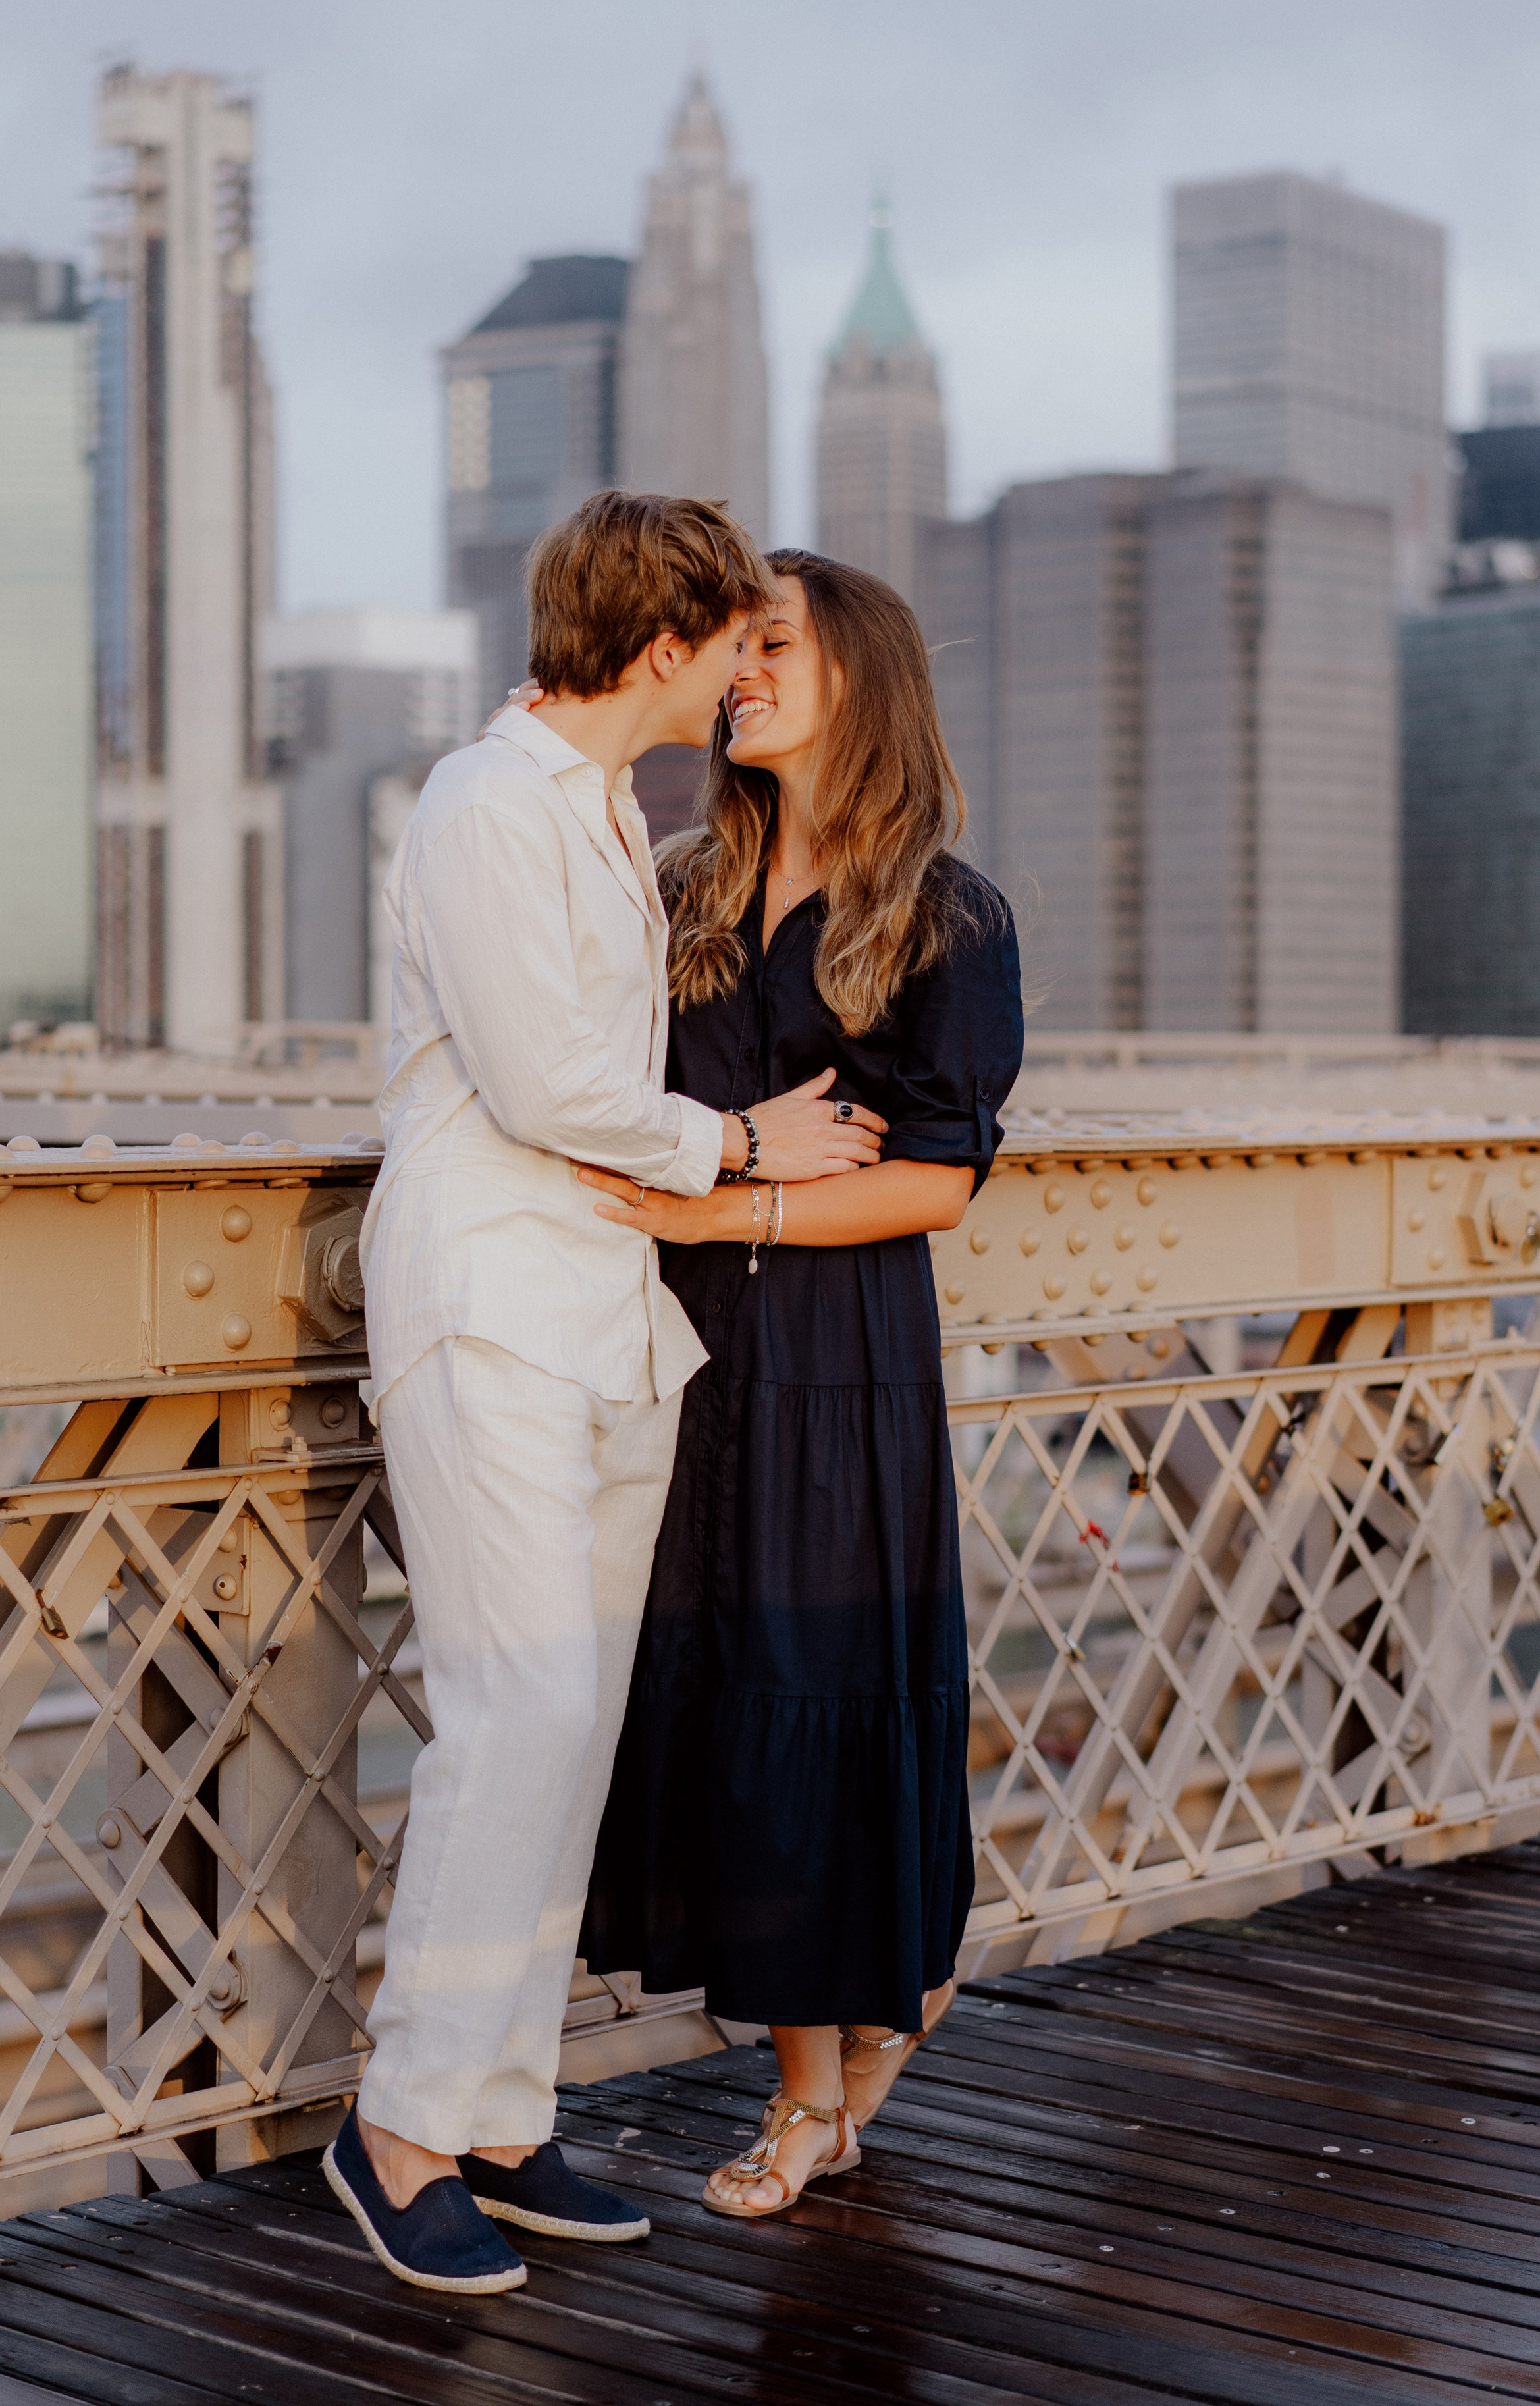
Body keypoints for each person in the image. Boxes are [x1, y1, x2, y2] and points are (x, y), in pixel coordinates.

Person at [326, 495, 888, 2293]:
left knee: (568, 1729)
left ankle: (498, 2114)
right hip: (487, 1307)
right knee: (514, 1708)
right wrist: (745, 1140)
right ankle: (400, 2127)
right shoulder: (488, 808)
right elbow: (550, 1080)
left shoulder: (596, 813)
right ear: (666, 648)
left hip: (597, 1319)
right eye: (735, 639)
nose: (745, 669)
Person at [578, 549, 1023, 2219]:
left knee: (820, 1692)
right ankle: (811, 2078)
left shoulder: (943, 909)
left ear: (859, 673)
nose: (734, 669)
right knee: (723, 1704)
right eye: (727, 647)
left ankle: (844, 2066)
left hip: (842, 1370)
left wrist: (732, 1201)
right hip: (695, 1364)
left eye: (769, 642)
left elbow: (933, 1178)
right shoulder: (684, 883)